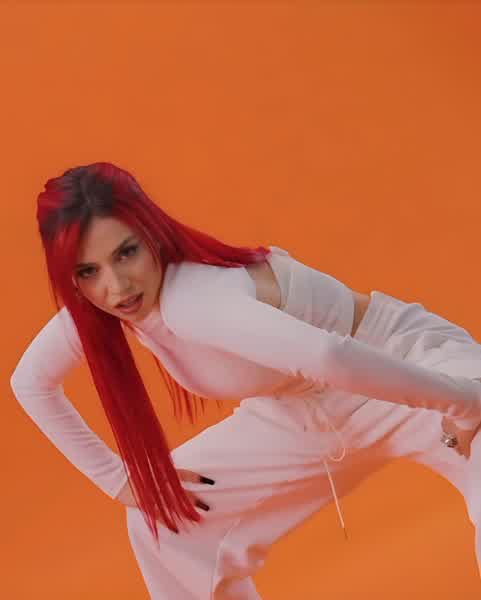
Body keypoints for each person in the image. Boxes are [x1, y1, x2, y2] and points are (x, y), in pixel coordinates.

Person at [10, 161, 481, 599]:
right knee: (166, 526)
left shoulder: (195, 299)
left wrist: (465, 402)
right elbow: (30, 383)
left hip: (404, 361)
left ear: (152, 231)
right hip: (295, 413)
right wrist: (118, 481)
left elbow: (329, 354)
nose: (116, 287)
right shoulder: (96, 310)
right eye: (88, 271)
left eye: (126, 252)